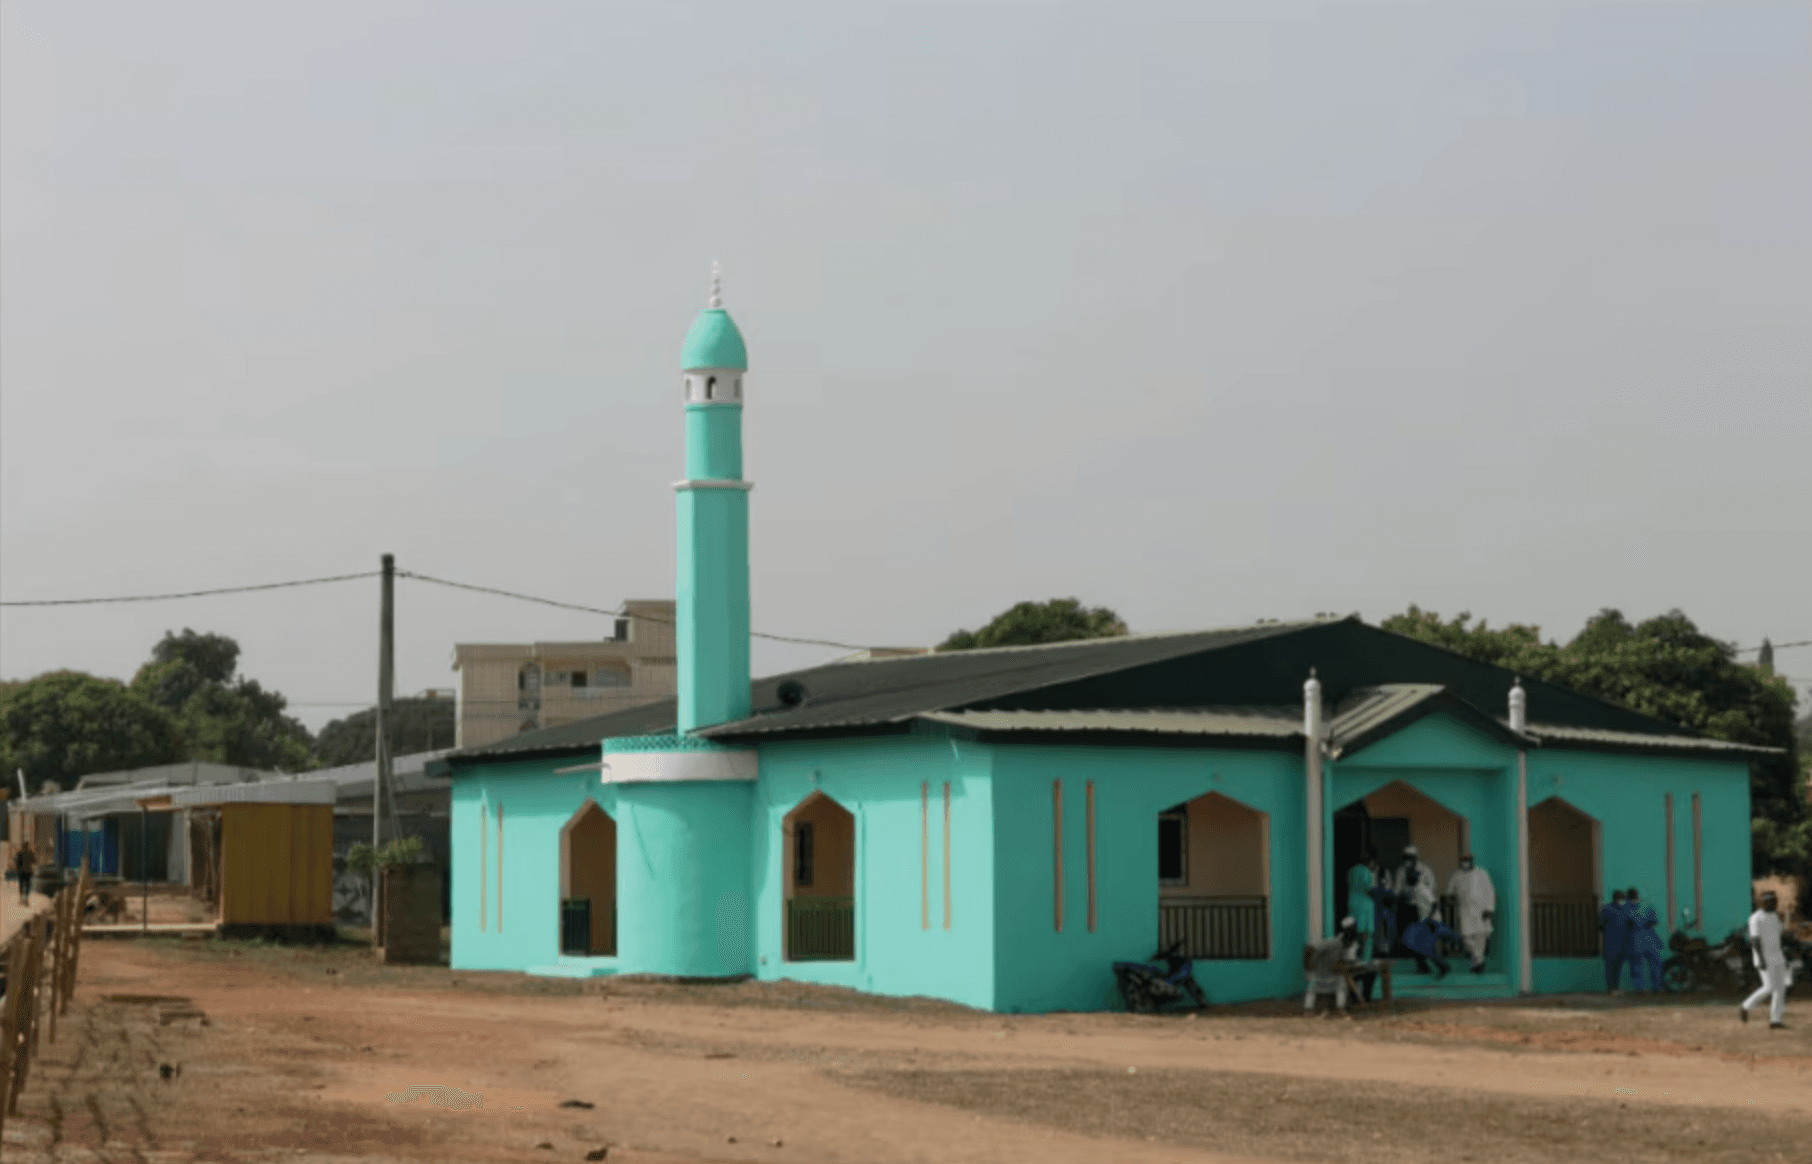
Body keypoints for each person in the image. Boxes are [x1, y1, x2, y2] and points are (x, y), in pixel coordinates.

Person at [1739, 891, 1790, 1029]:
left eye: (1775, 901)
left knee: (1780, 989)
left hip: (1778, 956)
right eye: (1772, 901)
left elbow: (1779, 935)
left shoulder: (1775, 916)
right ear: (1763, 902)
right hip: (1764, 957)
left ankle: (1775, 1020)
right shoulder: (1756, 918)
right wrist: (1761, 959)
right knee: (1769, 987)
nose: (1775, 903)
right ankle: (1745, 1006)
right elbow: (1755, 940)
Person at [1445, 853, 1496, 974]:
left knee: (1481, 937)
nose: (1465, 863)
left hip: (1481, 910)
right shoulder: (1457, 875)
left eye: (1467, 860)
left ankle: (1476, 965)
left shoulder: (1482, 873)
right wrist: (1451, 898)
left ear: (1472, 860)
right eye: (1462, 860)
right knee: (1466, 937)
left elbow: (1489, 891)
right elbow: (1449, 891)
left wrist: (1489, 909)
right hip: (1465, 910)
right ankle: (1480, 959)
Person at [1401, 909, 1461, 979]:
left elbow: (1434, 904)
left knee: (1426, 949)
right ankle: (1425, 967)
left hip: (1430, 924)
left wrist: (1429, 918)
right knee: (1420, 947)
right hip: (1427, 924)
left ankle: (1441, 967)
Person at [1625, 888, 1664, 993]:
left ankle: (1640, 988)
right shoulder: (1646, 906)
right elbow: (1654, 921)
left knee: (1637, 964)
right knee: (1655, 963)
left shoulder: (1626, 908)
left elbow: (1627, 924)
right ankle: (1657, 987)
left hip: (1635, 940)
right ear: (1637, 895)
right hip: (1650, 939)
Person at [1347, 851, 1378, 960]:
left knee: (1353, 930)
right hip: (1365, 905)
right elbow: (1370, 889)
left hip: (1353, 903)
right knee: (1366, 933)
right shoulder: (1366, 872)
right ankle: (1365, 959)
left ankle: (1352, 956)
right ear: (1370, 861)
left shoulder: (1351, 871)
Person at [1599, 890, 1630, 995]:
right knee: (1611, 967)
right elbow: (1600, 926)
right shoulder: (1609, 909)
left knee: (1617, 967)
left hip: (1620, 943)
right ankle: (1611, 988)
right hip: (1612, 942)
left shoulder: (1623, 910)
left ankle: (1615, 988)